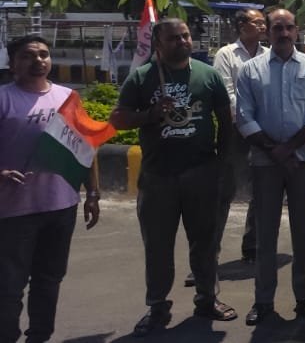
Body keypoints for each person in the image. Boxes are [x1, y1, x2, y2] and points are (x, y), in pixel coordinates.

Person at [111, 19, 238, 335]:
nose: (182, 41)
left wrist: (222, 162)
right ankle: (157, 306)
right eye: (173, 38)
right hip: (159, 178)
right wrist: (150, 115)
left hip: (201, 174)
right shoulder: (142, 77)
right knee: (158, 246)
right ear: (158, 44)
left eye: (185, 36)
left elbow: (225, 121)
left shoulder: (207, 75)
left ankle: (207, 299)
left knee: (205, 244)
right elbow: (118, 119)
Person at [1, 35, 101, 343]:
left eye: (44, 54)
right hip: (13, 211)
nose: (38, 61)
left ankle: (40, 336)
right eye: (28, 56)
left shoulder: (68, 97)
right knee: (9, 285)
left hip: (61, 206)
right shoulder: (3, 98)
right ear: (12, 64)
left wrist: (92, 192)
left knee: (49, 278)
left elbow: (85, 146)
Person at [235, 9, 305, 326]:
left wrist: (288, 148)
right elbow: (244, 116)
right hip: (266, 163)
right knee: (265, 233)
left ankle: (304, 297)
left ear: (297, 30)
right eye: (278, 28)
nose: (284, 33)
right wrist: (274, 150)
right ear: (268, 32)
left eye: (289, 27)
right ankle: (263, 301)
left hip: (302, 162)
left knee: (304, 232)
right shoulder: (250, 70)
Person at [211, 8, 265, 267]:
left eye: (264, 22)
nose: (263, 26)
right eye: (258, 22)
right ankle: (208, 256)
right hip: (235, 131)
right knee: (223, 193)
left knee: (261, 190)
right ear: (242, 26)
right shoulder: (226, 54)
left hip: (262, 132)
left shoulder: (268, 55)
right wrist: (251, 121)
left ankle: (252, 246)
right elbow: (227, 94)